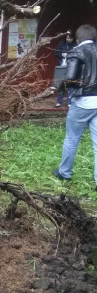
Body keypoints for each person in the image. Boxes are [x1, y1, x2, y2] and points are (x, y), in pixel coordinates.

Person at [53, 24, 97, 188]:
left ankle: (65, 173)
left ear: (78, 39)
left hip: (83, 102)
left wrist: (60, 88)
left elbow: (70, 77)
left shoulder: (76, 51)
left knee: (72, 138)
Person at [54, 31, 77, 107]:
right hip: (61, 66)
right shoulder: (62, 43)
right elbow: (56, 53)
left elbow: (77, 54)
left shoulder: (75, 45)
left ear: (73, 38)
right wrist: (62, 54)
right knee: (60, 83)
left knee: (70, 84)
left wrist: (70, 54)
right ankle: (59, 102)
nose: (68, 39)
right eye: (67, 38)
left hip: (71, 67)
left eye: (70, 38)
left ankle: (69, 102)